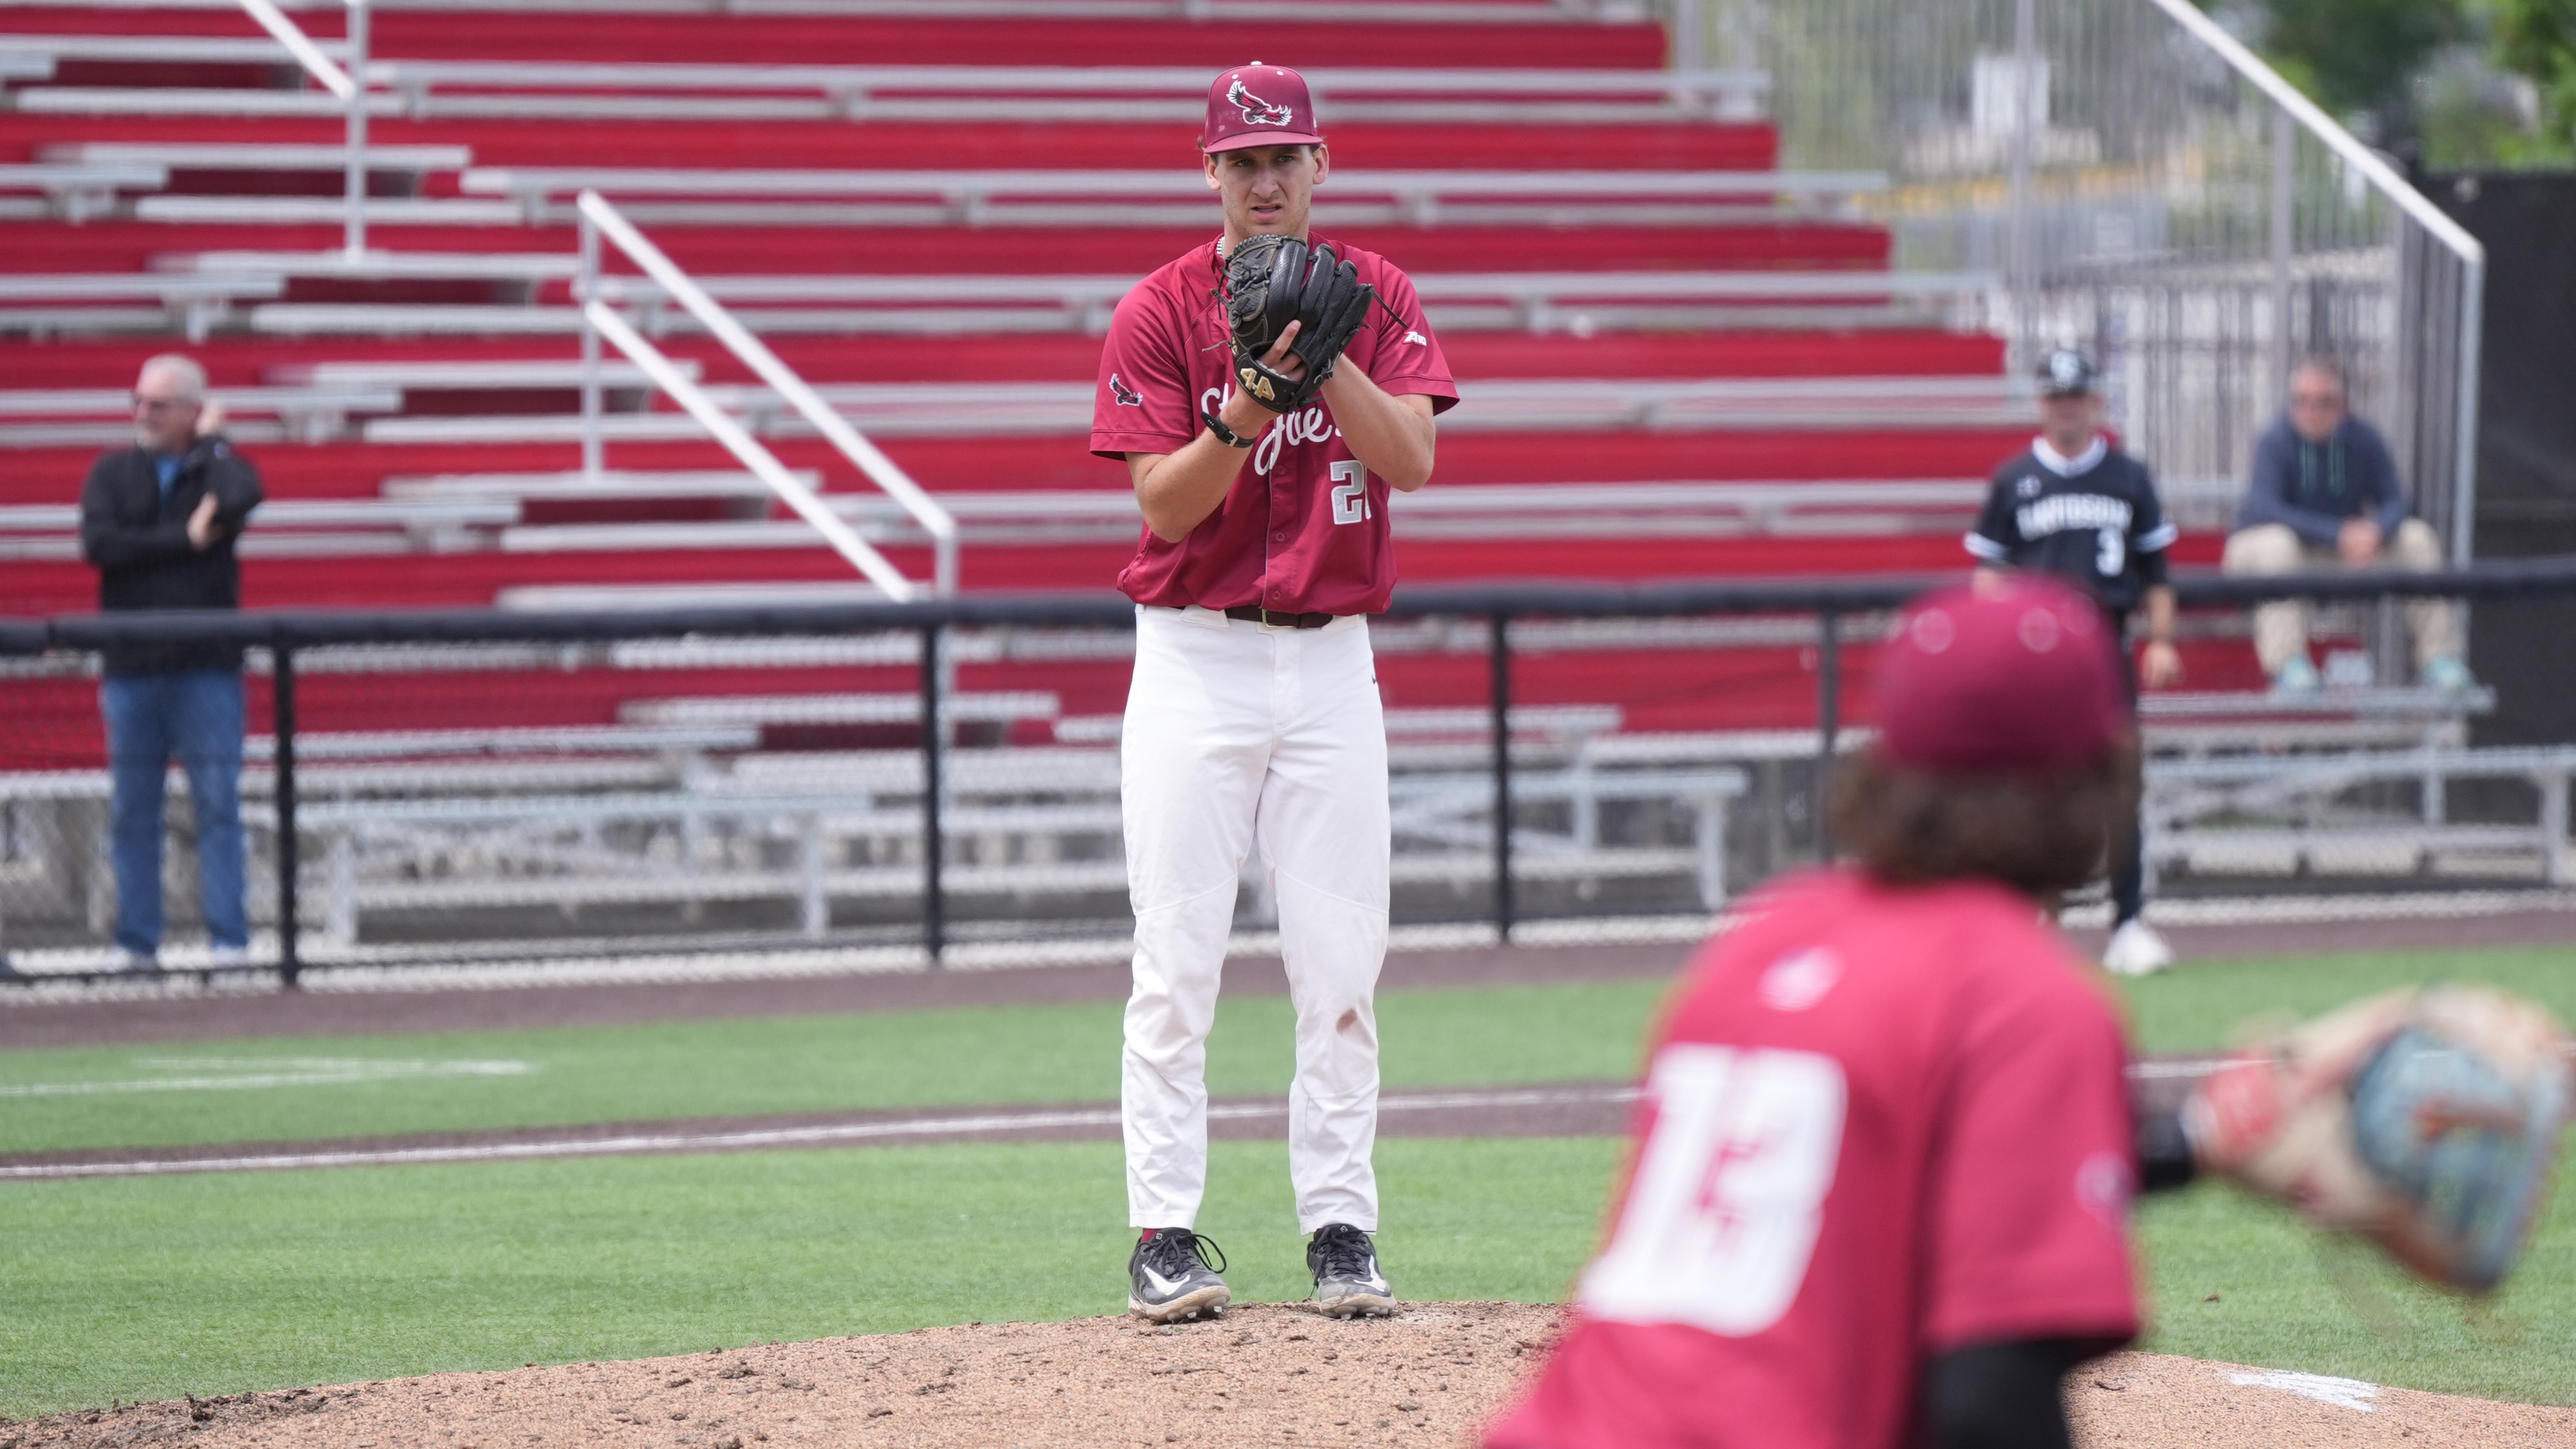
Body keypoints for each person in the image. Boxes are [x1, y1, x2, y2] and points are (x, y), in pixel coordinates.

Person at [1483, 574, 2176, 1449]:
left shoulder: (1767, 932)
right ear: (2092, 775)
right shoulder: (2026, 990)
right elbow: (1990, 1399)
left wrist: (2195, 1143)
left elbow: (1873, 1155)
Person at [1089, 61, 1457, 1323]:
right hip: (1194, 655)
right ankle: (1164, 1234)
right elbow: (1161, 502)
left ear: (1320, 167)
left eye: (1283, 158)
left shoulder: (1376, 293)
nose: (1262, 181)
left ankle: (1341, 1231)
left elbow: (1411, 457)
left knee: (1341, 962)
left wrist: (1326, 355)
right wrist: (1250, 401)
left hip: (1331, 662)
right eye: (1240, 162)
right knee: (1176, 956)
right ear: (1208, 173)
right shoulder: (1156, 308)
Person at [1965, 347, 2177, 977]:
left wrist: (2162, 639)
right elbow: (1988, 575)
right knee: (2036, 792)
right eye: (2057, 397)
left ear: (2096, 402)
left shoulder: (2128, 477)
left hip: (2103, 650)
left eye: (2077, 396)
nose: (2067, 407)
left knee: (2118, 788)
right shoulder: (2012, 479)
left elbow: (2157, 573)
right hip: (2036, 658)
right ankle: (2039, 919)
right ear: (2041, 403)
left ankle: (2129, 920)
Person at [78, 354, 262, 973]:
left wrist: (214, 442)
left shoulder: (215, 471)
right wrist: (183, 540)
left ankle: (230, 941)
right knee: (134, 811)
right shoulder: (112, 473)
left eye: (158, 405)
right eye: (138, 402)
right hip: (132, 670)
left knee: (217, 806)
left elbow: (244, 495)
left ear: (190, 411)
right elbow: (102, 545)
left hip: (204, 669)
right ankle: (136, 942)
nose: (143, 415)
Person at [2221, 357, 2470, 695]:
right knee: (2277, 543)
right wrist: (2339, 534)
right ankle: (2288, 669)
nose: (2312, 410)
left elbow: (2397, 500)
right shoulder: (2274, 441)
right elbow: (2266, 508)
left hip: (2343, 554)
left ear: (2343, 406)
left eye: (2323, 402)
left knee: (2417, 538)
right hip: (2259, 556)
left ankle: (2440, 661)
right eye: (2301, 401)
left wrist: (2374, 532)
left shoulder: (2364, 438)